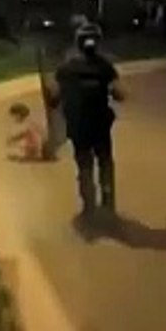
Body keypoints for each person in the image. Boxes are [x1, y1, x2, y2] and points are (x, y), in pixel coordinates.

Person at [47, 22, 126, 217]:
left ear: (78, 43)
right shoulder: (105, 67)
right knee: (105, 161)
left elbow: (54, 99)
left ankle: (88, 203)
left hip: (77, 125)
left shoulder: (66, 69)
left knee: (84, 163)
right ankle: (107, 201)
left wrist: (53, 97)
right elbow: (120, 94)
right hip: (100, 125)